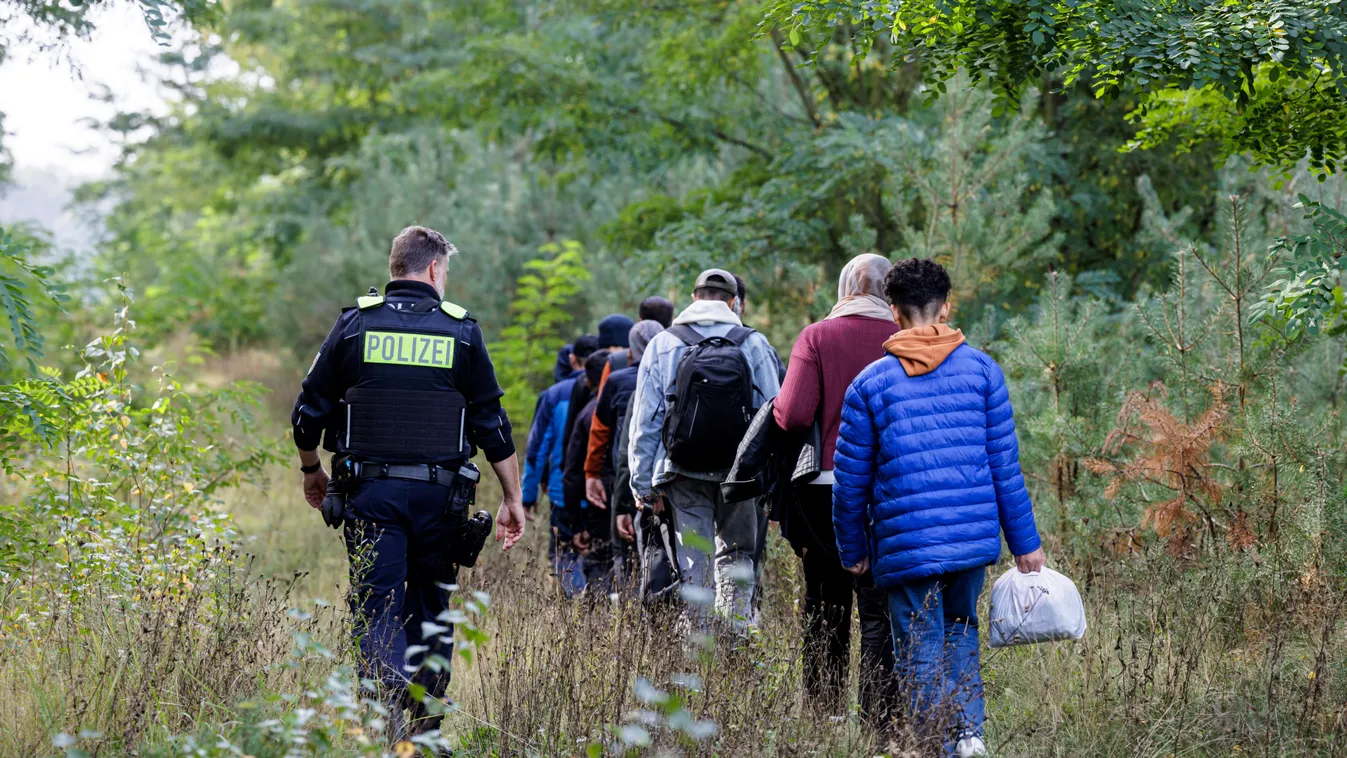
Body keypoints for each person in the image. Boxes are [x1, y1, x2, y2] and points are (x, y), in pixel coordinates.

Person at [291, 225, 526, 736]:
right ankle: (424, 729)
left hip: (369, 496)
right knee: (432, 607)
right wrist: (513, 497)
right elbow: (491, 423)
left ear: (395, 266)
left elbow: (307, 413)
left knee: (375, 605)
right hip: (440, 500)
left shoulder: (355, 326)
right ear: (435, 269)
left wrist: (313, 470)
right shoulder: (462, 332)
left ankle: (382, 717)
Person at [832, 258, 1046, 758]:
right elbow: (1004, 468)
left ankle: (934, 745)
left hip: (906, 547)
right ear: (946, 306)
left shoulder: (869, 384)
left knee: (918, 648)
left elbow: (850, 482)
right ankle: (968, 737)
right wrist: (1026, 544)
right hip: (971, 540)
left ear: (893, 311)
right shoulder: (983, 371)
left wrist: (853, 548)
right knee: (960, 633)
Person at [773, 253, 899, 720]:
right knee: (880, 604)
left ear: (847, 287)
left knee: (825, 601)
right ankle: (880, 717)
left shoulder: (817, 336)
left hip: (824, 487)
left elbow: (794, 413)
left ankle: (825, 710)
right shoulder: (905, 339)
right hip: (891, 490)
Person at [629, 269, 781, 630]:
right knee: (738, 554)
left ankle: (698, 646)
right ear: (733, 302)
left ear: (694, 298)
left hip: (682, 469)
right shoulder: (754, 342)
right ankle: (736, 638)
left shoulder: (664, 343)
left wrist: (642, 483)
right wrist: (771, 478)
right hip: (740, 474)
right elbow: (774, 412)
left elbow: (646, 419)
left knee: (694, 561)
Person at [522, 335, 599, 597]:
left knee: (564, 552)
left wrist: (528, 494)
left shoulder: (554, 395)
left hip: (562, 492)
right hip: (601, 493)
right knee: (599, 554)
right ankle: (598, 607)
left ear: (571, 359)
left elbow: (536, 449)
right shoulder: (610, 386)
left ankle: (577, 602)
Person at [591, 320, 665, 587]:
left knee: (626, 552)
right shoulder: (674, 375)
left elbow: (618, 445)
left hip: (633, 485)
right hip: (675, 483)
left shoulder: (619, 380)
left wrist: (594, 476)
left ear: (631, 351)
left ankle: (631, 614)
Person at [563, 351, 616, 590]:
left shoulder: (587, 413)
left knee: (599, 561)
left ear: (588, 380)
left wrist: (576, 525)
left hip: (599, 500)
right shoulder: (634, 401)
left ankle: (599, 618)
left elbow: (572, 472)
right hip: (634, 495)